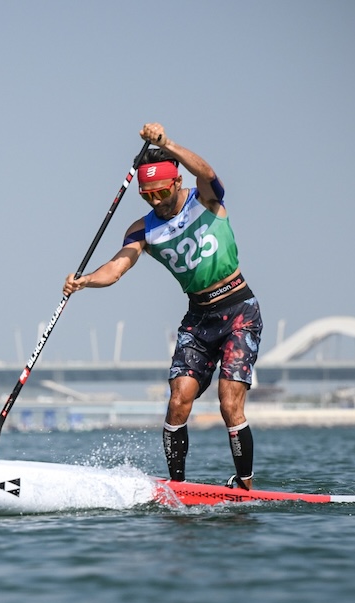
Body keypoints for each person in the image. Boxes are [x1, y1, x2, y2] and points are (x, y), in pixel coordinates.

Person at [63, 123, 263, 489]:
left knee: (228, 403)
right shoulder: (143, 229)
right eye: (147, 196)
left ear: (174, 183)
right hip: (198, 319)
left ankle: (247, 486)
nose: (155, 202)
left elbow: (208, 172)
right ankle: (179, 488)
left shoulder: (205, 199)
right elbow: (117, 267)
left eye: (160, 193)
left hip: (239, 311)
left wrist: (167, 144)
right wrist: (86, 280)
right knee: (177, 401)